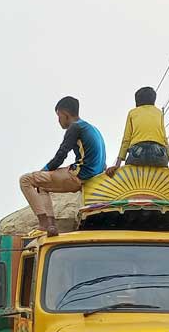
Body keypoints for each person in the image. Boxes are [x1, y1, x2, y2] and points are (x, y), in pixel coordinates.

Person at [19, 96, 106, 237]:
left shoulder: (75, 127)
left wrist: (44, 170)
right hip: (92, 175)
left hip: (79, 176)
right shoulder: (92, 128)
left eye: (58, 116)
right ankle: (51, 225)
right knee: (42, 185)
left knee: (25, 180)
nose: (58, 120)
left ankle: (44, 225)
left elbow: (61, 155)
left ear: (65, 114)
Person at [106, 87, 169, 177]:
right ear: (153, 100)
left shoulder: (132, 113)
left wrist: (117, 165)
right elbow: (164, 140)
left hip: (137, 153)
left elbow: (126, 140)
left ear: (137, 101)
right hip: (158, 153)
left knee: (128, 174)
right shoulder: (159, 113)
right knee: (161, 174)